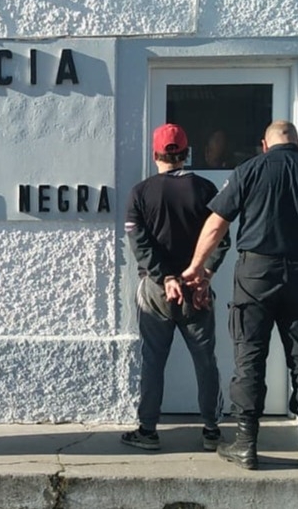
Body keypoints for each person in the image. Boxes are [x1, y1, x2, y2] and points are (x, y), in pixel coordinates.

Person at [182, 120, 298, 470]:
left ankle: (246, 444)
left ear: (264, 144)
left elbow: (216, 223)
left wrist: (196, 267)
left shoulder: (248, 170)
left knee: (250, 358)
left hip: (256, 275)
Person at [121, 123, 231, 451]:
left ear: (155, 155)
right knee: (205, 359)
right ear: (187, 153)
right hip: (197, 289)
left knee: (153, 359)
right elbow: (222, 238)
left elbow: (138, 242)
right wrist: (205, 274)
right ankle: (212, 431)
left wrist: (164, 277)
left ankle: (148, 430)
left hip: (157, 291)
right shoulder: (207, 189)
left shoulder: (141, 193)